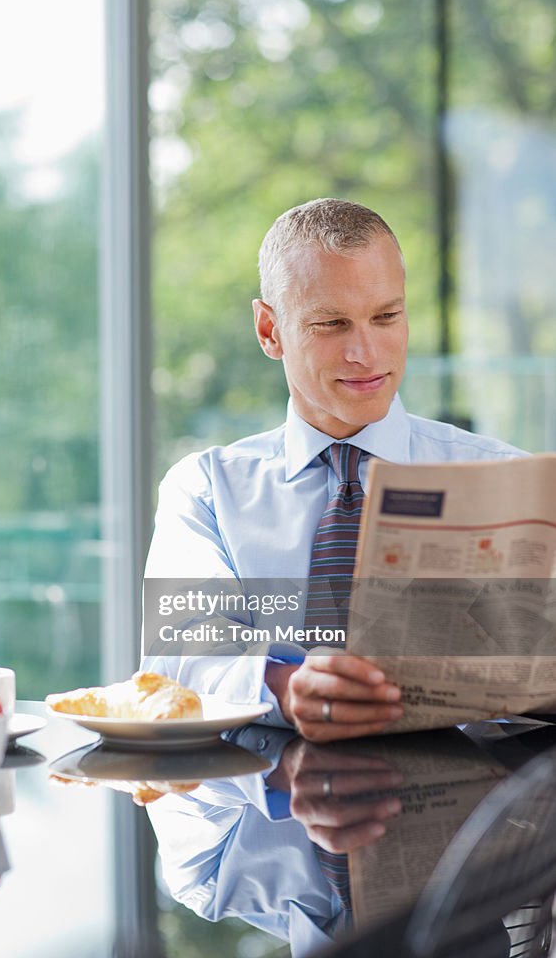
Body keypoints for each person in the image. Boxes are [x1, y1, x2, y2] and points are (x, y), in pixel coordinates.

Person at [142, 198, 525, 741]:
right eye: (332, 324)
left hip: (465, 801)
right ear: (269, 330)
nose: (366, 353)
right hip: (268, 801)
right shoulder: (205, 489)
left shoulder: (504, 479)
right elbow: (176, 653)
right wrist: (287, 687)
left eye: (387, 316)